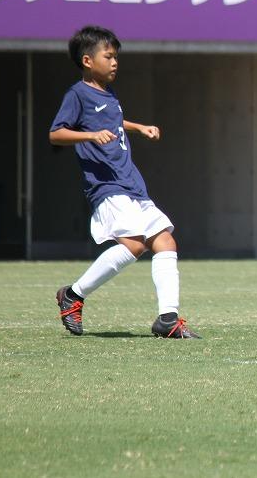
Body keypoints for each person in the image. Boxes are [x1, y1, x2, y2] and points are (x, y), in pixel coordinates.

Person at [50, 26, 199, 339]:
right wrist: (89, 135)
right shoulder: (77, 94)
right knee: (133, 243)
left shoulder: (108, 94)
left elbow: (112, 122)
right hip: (107, 186)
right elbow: (56, 133)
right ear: (88, 61)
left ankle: (167, 319)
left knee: (165, 241)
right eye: (109, 56)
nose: (115, 61)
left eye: (116, 56)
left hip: (132, 183)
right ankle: (73, 295)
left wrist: (139, 127)